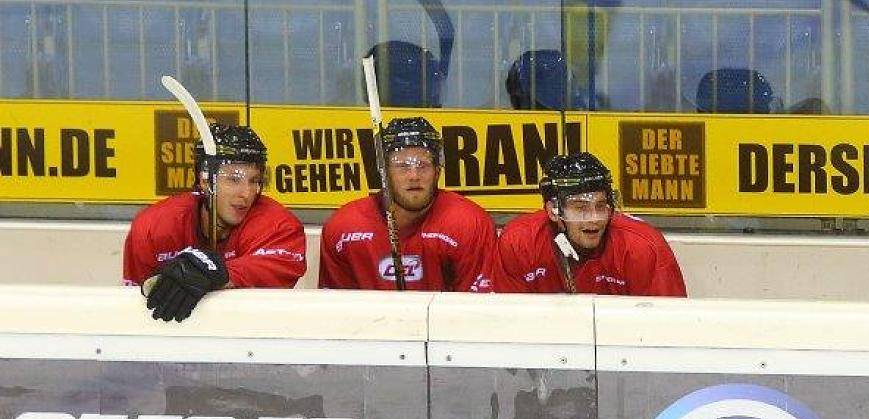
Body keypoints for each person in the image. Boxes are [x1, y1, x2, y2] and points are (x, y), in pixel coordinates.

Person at [124, 123, 306, 322]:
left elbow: (266, 270)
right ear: (205, 181)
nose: (246, 193)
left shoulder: (280, 226)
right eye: (234, 180)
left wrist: (214, 272)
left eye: (254, 181)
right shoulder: (153, 227)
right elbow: (135, 307)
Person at [319, 117, 495, 291]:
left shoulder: (469, 224)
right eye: (402, 165)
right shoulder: (343, 227)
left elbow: (476, 307)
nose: (414, 176)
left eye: (423, 165)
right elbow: (336, 306)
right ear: (383, 172)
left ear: (437, 171)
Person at [490, 151, 686, 296]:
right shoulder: (519, 243)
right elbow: (507, 323)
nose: (594, 218)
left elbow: (670, 327)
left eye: (600, 206)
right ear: (553, 210)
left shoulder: (642, 247)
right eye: (580, 208)